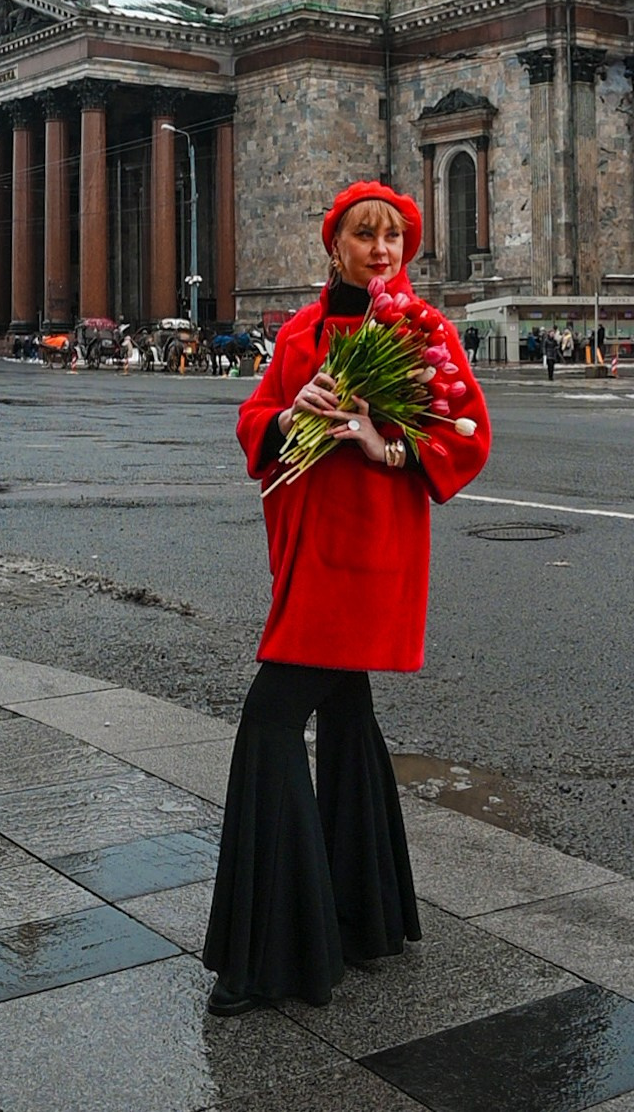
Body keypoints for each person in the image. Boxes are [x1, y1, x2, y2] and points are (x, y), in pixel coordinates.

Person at [203, 180, 491, 1016]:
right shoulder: (297, 330)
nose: (382, 249)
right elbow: (254, 419)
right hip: (302, 551)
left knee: (268, 720)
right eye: (365, 234)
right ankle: (363, 919)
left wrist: (383, 443)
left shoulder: (417, 327)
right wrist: (290, 414)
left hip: (364, 557)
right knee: (345, 713)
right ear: (334, 245)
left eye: (394, 236)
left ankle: (268, 957)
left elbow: (465, 431)